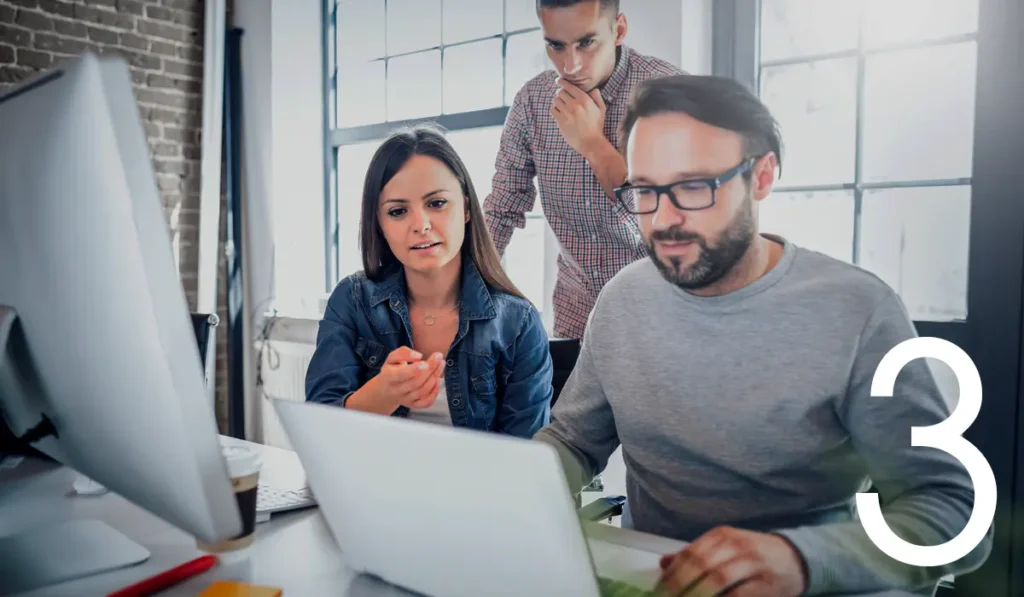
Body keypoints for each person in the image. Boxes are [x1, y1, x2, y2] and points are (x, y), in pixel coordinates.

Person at [534, 75, 992, 596]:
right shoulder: (621, 301)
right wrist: (508, 488)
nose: (663, 220)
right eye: (645, 191)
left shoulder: (859, 310)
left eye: (692, 187)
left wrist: (799, 559)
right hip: (657, 582)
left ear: (763, 177)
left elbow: (955, 510)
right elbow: (573, 442)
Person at [305, 124, 553, 438]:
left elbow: (527, 461)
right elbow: (317, 429)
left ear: (465, 207)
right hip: (370, 484)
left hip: (479, 487)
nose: (420, 225)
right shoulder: (351, 301)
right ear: (379, 224)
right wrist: (384, 392)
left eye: (436, 204)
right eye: (397, 211)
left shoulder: (519, 323)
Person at [483, 0, 682, 340]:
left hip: (661, 311)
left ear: (618, 30)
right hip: (576, 315)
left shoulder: (670, 93)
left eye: (586, 43)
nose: (570, 65)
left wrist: (593, 144)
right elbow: (502, 209)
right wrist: (455, 292)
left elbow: (671, 216)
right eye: (555, 45)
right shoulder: (533, 102)